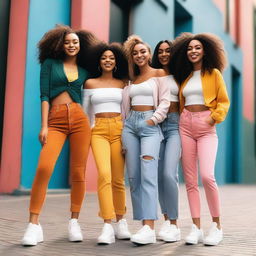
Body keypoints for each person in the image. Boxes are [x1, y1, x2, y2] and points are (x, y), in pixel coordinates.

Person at [22, 25, 97, 246]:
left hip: (80, 120)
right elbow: (44, 95)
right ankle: (33, 224)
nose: (72, 45)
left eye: (75, 42)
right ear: (60, 44)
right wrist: (44, 125)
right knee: (44, 168)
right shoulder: (50, 64)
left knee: (78, 173)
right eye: (67, 42)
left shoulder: (85, 70)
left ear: (80, 46)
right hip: (54, 120)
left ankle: (74, 221)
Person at [170, 33, 230, 246]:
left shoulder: (213, 73)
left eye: (197, 48)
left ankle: (216, 225)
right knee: (190, 180)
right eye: (189, 49)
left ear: (205, 51)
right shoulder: (185, 77)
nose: (193, 51)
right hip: (185, 126)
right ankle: (196, 227)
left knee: (207, 176)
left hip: (206, 126)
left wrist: (213, 118)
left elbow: (223, 101)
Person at [122, 35, 170, 245]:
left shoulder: (159, 74)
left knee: (149, 175)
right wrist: (125, 129)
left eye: (143, 51)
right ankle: (142, 225)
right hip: (130, 127)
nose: (139, 55)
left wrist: (153, 120)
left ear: (149, 54)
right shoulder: (131, 79)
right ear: (132, 57)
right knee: (134, 179)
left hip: (150, 127)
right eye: (135, 53)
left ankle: (150, 228)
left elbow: (166, 101)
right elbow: (125, 107)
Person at [82, 43, 131, 244]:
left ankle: (121, 221)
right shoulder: (90, 83)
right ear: (99, 62)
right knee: (104, 175)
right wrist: (88, 133)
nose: (108, 60)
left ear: (116, 61)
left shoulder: (123, 84)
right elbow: (85, 113)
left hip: (119, 129)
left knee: (118, 180)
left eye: (111, 57)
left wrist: (127, 135)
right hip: (98, 131)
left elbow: (127, 112)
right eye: (104, 58)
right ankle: (107, 225)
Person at [151, 40, 181, 242]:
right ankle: (166, 219)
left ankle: (175, 224)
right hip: (156, 127)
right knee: (159, 176)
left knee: (169, 174)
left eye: (167, 51)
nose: (163, 54)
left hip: (176, 126)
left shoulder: (181, 74)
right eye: (160, 51)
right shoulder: (153, 75)